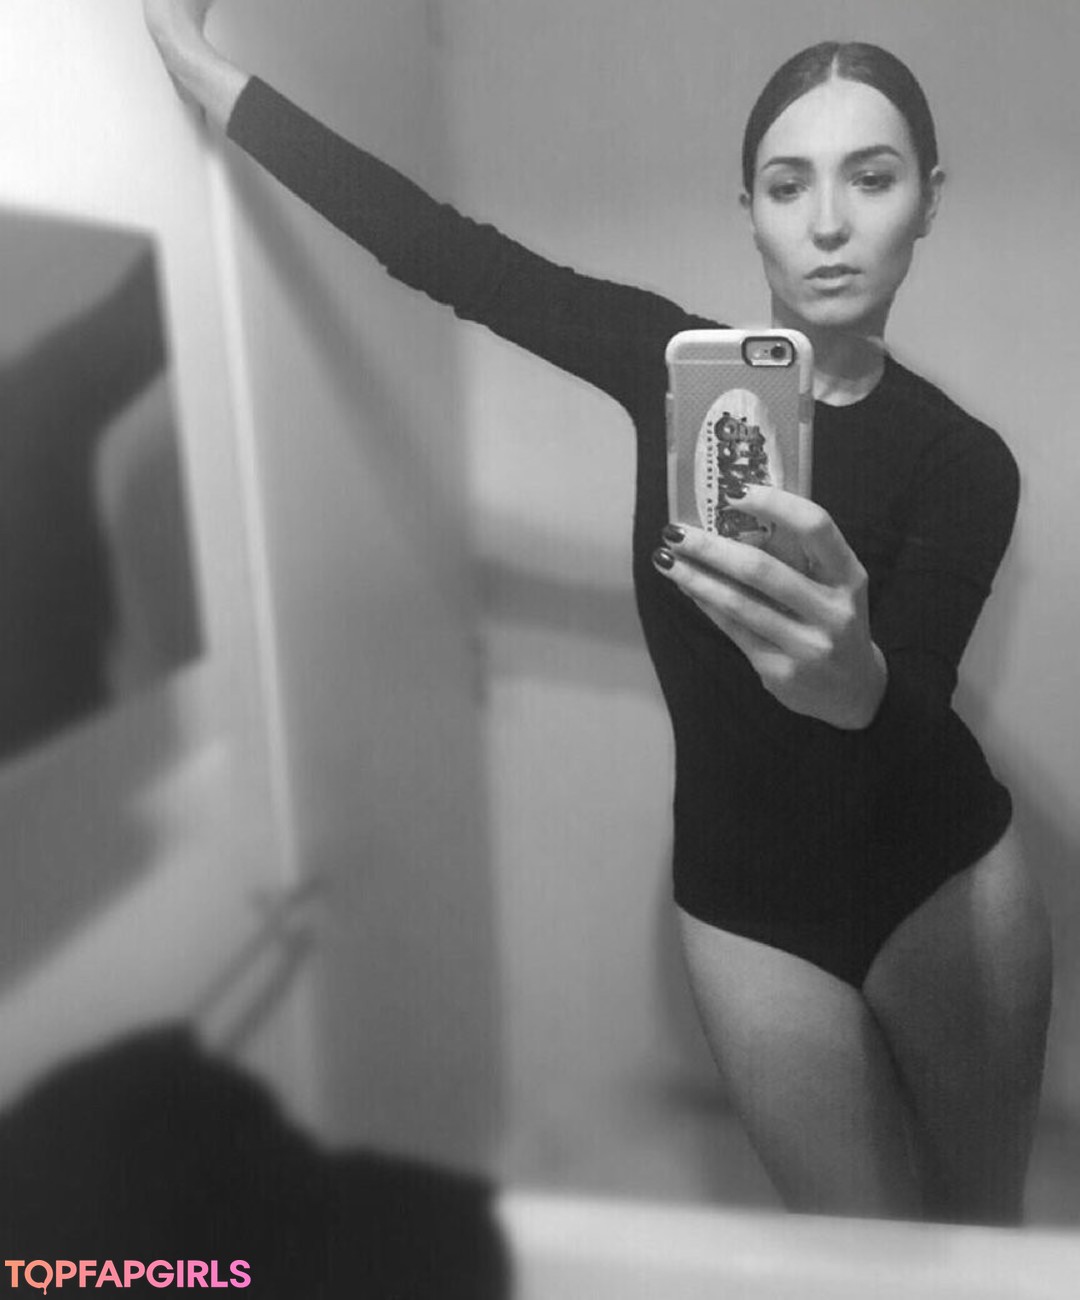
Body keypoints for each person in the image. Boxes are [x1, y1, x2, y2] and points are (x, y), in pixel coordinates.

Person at [143, 0, 1053, 1225]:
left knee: (987, 1234)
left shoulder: (966, 463)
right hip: (754, 909)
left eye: (873, 178)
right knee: (861, 1260)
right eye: (789, 184)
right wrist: (203, 69)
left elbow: (922, 702)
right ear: (750, 211)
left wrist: (864, 686)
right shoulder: (663, 364)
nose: (830, 223)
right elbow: (435, 247)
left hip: (946, 883)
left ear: (927, 200)